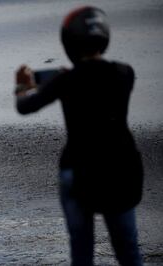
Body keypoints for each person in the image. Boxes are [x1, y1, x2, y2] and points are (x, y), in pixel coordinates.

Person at [14, 6, 143, 266]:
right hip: (119, 170)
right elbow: (94, 80)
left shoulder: (65, 81)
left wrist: (22, 86)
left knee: (82, 253)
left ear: (69, 41)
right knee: (128, 250)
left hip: (78, 170)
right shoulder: (124, 73)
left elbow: (25, 106)